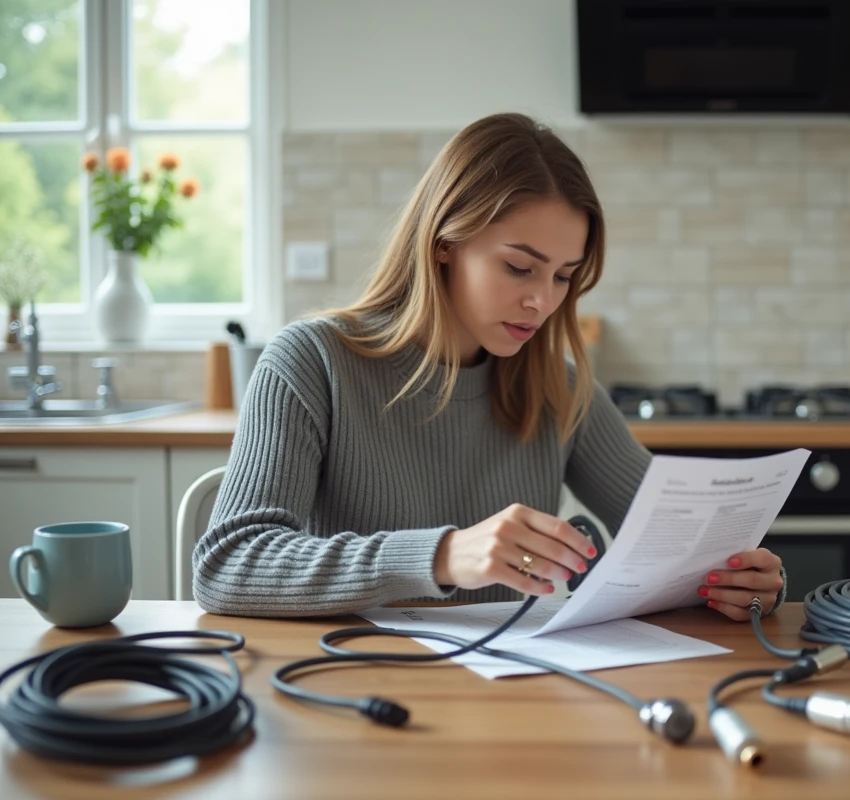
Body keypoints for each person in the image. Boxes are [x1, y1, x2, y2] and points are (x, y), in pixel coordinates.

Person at [193, 112, 786, 621]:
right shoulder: (311, 362)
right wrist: (443, 555)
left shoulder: (560, 387)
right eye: (520, 267)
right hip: (356, 693)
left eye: (563, 276)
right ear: (444, 242)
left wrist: (738, 580)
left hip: (510, 695)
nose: (543, 301)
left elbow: (674, 544)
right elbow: (227, 565)